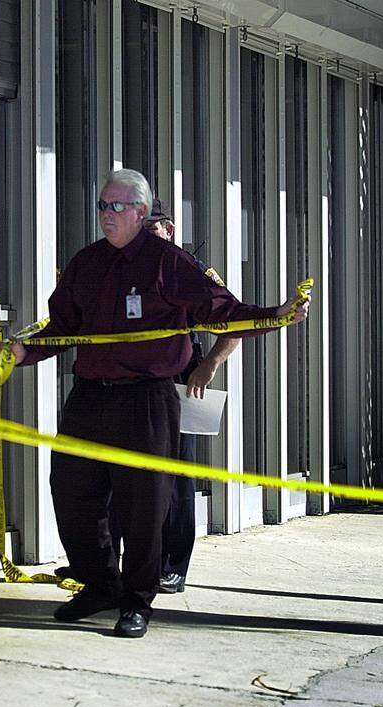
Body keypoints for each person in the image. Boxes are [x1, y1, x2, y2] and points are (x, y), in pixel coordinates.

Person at [0, 169, 308, 638]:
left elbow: (220, 311)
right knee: (72, 491)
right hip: (90, 395)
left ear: (141, 212)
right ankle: (99, 584)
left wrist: (274, 315)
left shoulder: (168, 262)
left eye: (116, 207)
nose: (106, 215)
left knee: (143, 505)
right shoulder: (86, 263)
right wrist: (23, 351)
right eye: (102, 206)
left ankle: (137, 600)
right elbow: (61, 327)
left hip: (148, 398)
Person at [136, 199, 239, 595]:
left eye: (153, 230)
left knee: (176, 477)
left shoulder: (189, 270)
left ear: (170, 230)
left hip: (180, 379)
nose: (147, 239)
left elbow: (234, 321)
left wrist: (209, 365)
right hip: (135, 382)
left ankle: (172, 565)